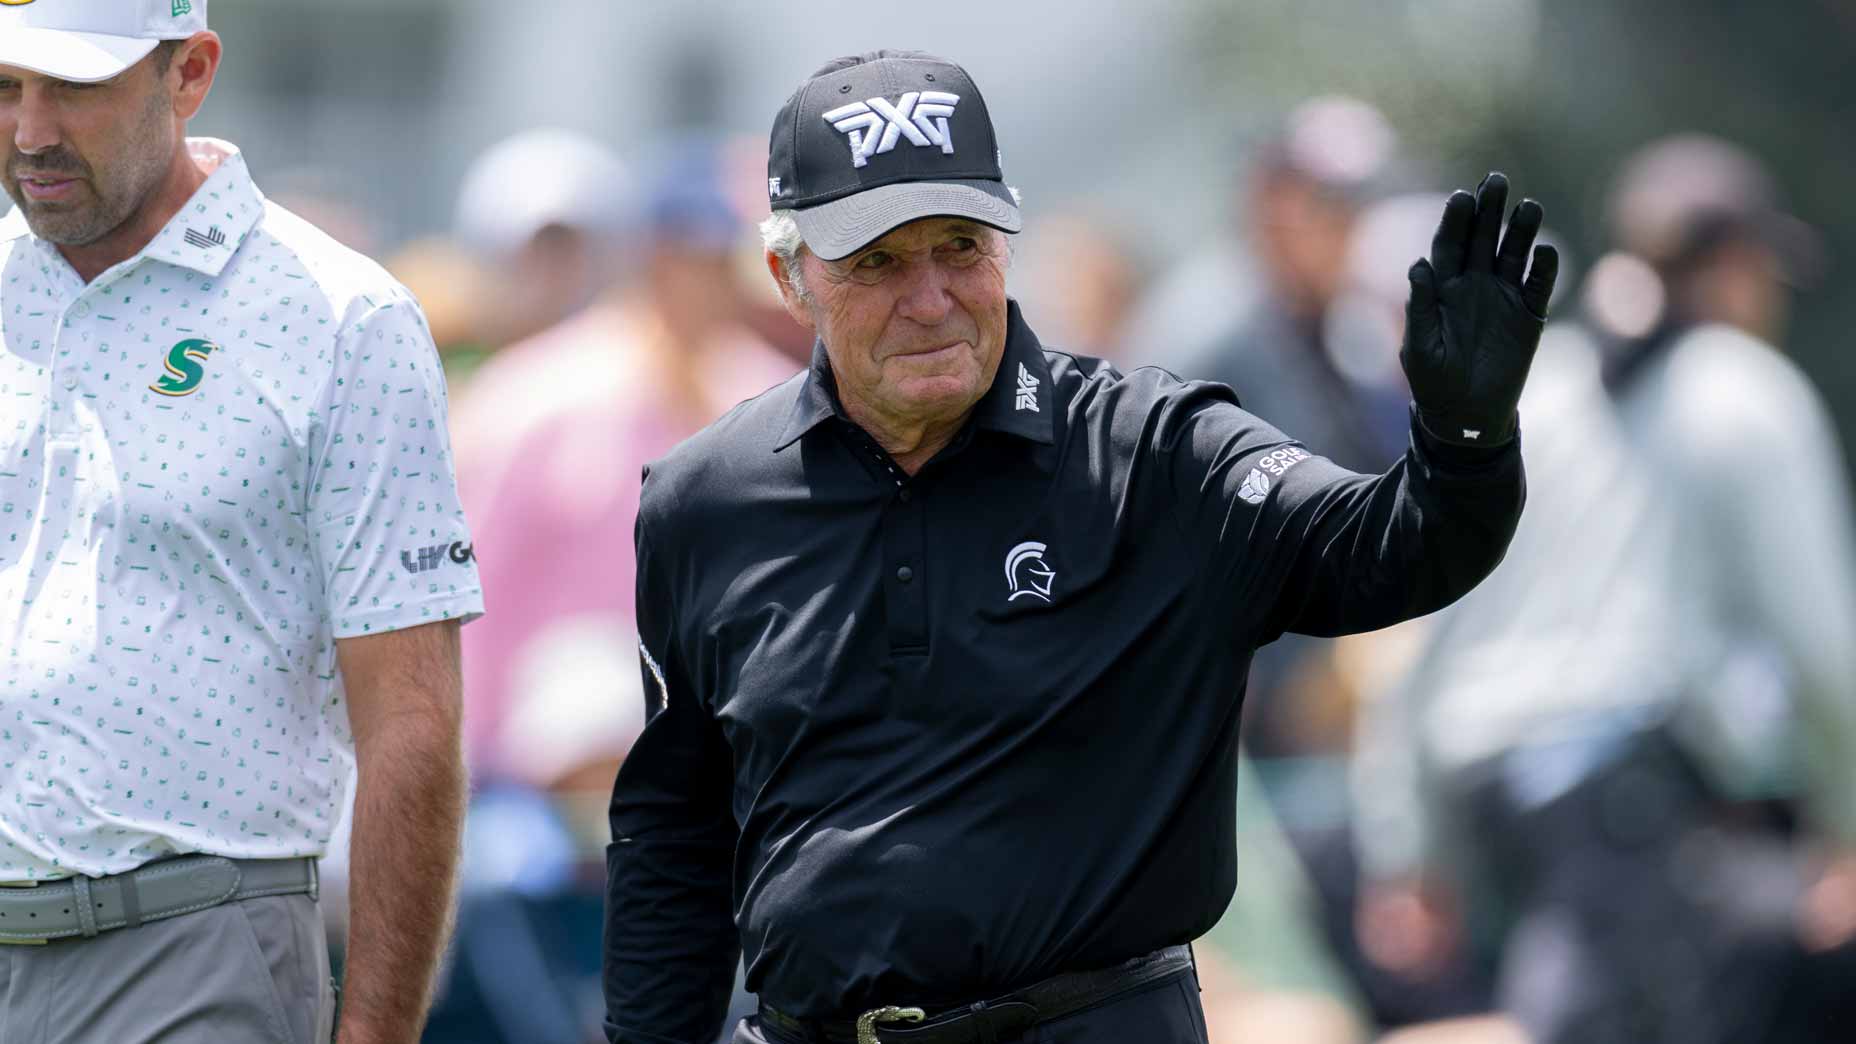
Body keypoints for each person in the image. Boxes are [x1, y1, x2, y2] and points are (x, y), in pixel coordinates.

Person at [601, 49, 1556, 1044]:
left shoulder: (1153, 452)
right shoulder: (702, 501)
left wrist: (1462, 440)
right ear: (788, 278)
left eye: (959, 246)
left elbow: (1397, 549)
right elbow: (673, 838)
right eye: (878, 259)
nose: (929, 296)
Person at [0, 5, 481, 1043]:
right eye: (3, 88)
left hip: (193, 947)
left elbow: (410, 720)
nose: (30, 130)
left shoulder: (342, 318)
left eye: (73, 88)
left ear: (190, 73)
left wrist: (378, 1032)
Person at [1350, 134, 1856, 1044]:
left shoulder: (1529, 402)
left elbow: (1423, 627)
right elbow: (1823, 647)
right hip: (1634, 817)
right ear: (1739, 270)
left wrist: (1406, 851)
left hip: (1514, 822)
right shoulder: (1739, 389)